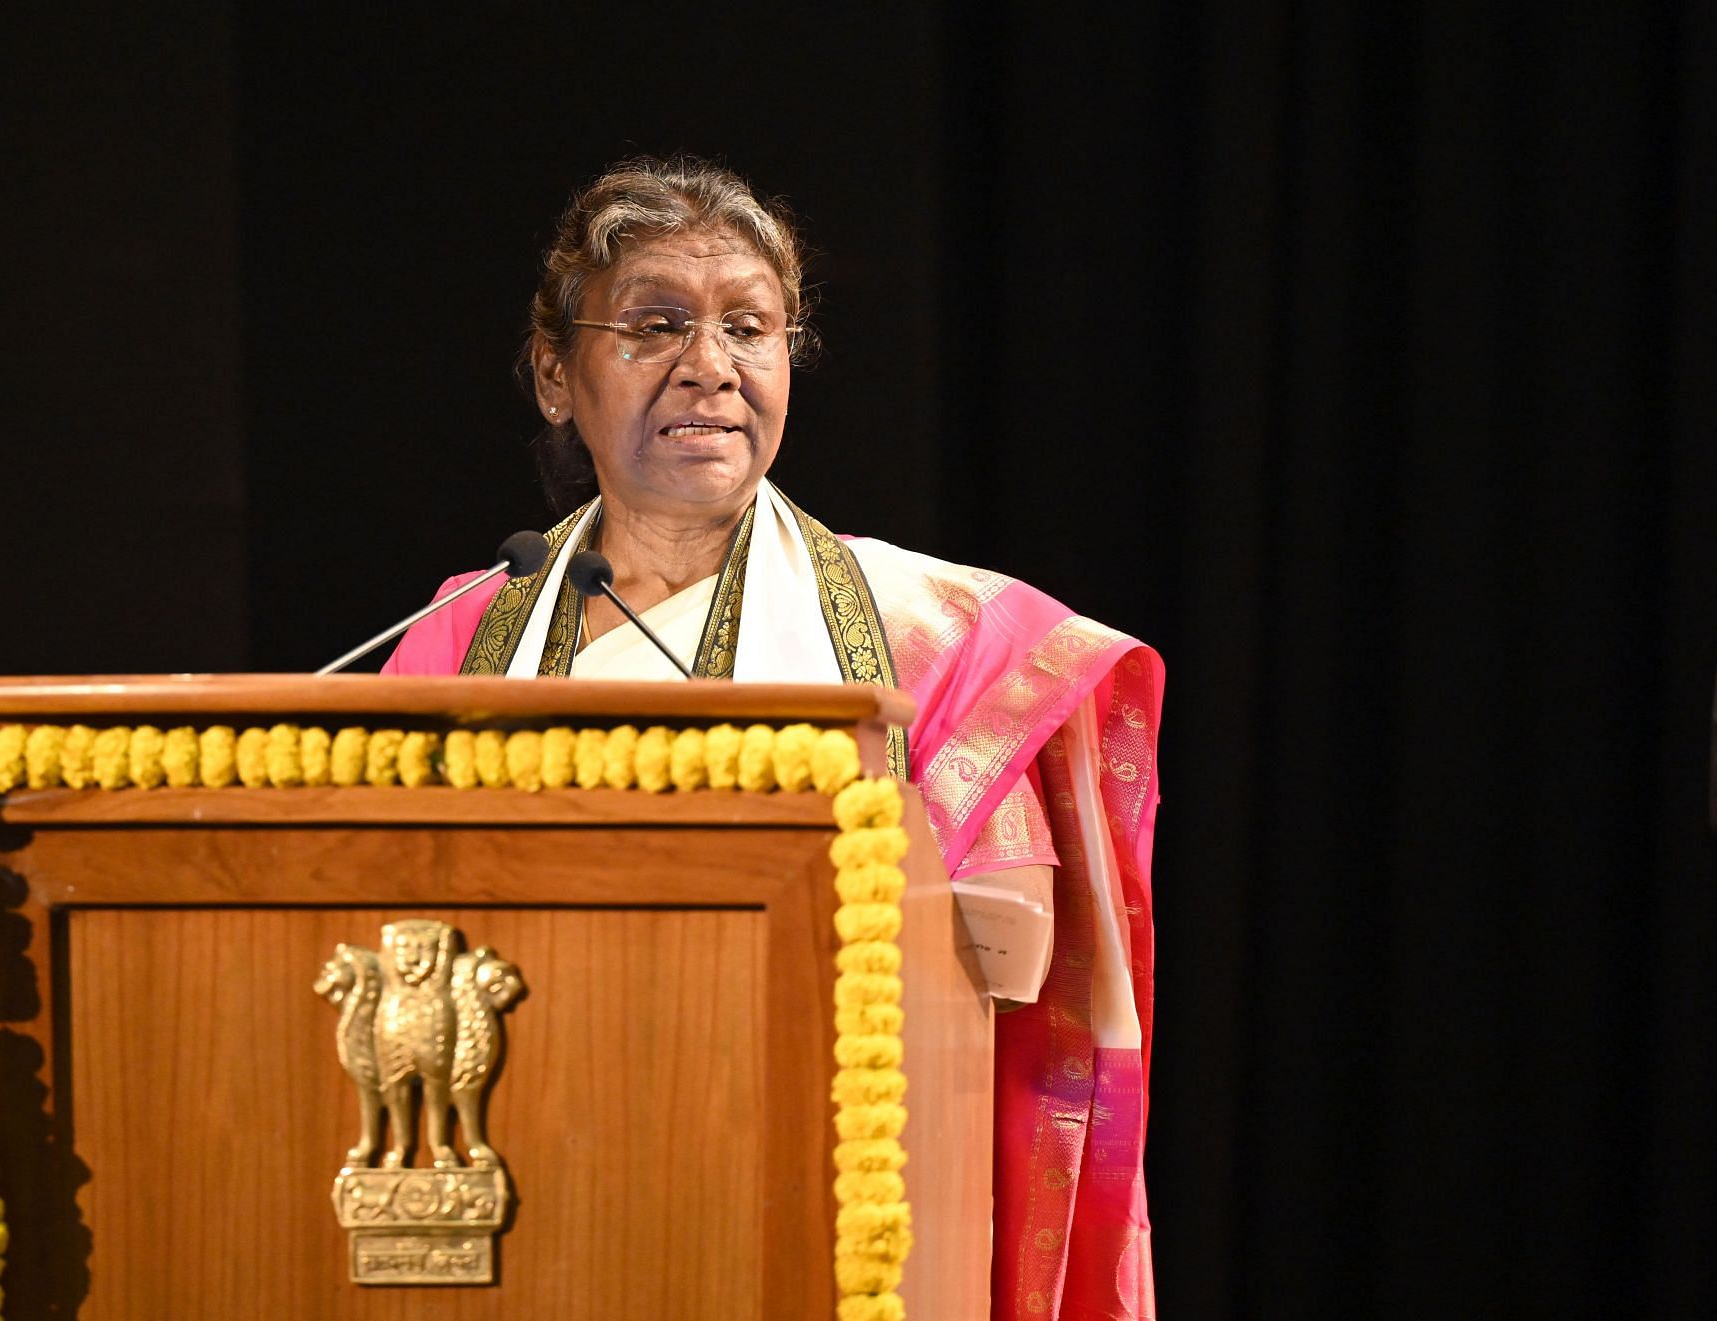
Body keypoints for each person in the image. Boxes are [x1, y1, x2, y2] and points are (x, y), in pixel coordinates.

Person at [384, 156, 1164, 1321]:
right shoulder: (457, 637)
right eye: (656, 324)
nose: (711, 366)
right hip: (524, 1184)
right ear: (557, 374)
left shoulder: (926, 634)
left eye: (749, 327)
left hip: (819, 1188)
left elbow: (1010, 950)